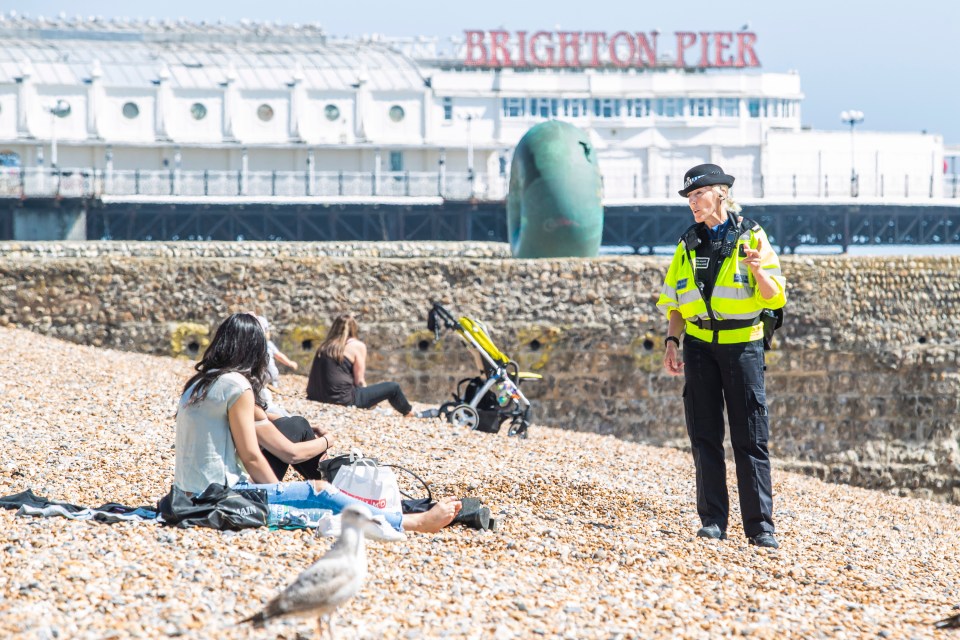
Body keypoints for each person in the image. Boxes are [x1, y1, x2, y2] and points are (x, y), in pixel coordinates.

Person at [173, 313, 461, 533]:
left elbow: (260, 418)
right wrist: (283, 492)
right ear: (253, 350)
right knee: (321, 492)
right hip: (218, 496)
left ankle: (384, 511)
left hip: (187, 494)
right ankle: (412, 521)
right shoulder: (237, 386)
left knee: (311, 491)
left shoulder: (199, 383)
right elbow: (253, 456)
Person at [656, 163, 786, 549]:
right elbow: (675, 301)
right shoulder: (688, 243)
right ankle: (712, 520)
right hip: (698, 347)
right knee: (704, 436)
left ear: (721, 194)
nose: (693, 203)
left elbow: (775, 296)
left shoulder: (752, 236)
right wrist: (671, 342)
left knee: (750, 439)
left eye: (699, 195)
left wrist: (758, 270)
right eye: (689, 198)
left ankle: (761, 528)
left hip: (742, 344)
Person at [306, 313, 413, 416]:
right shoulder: (356, 345)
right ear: (354, 328)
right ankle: (408, 412)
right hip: (341, 398)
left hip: (315, 395)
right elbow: (359, 381)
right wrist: (369, 398)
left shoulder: (325, 345)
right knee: (393, 387)